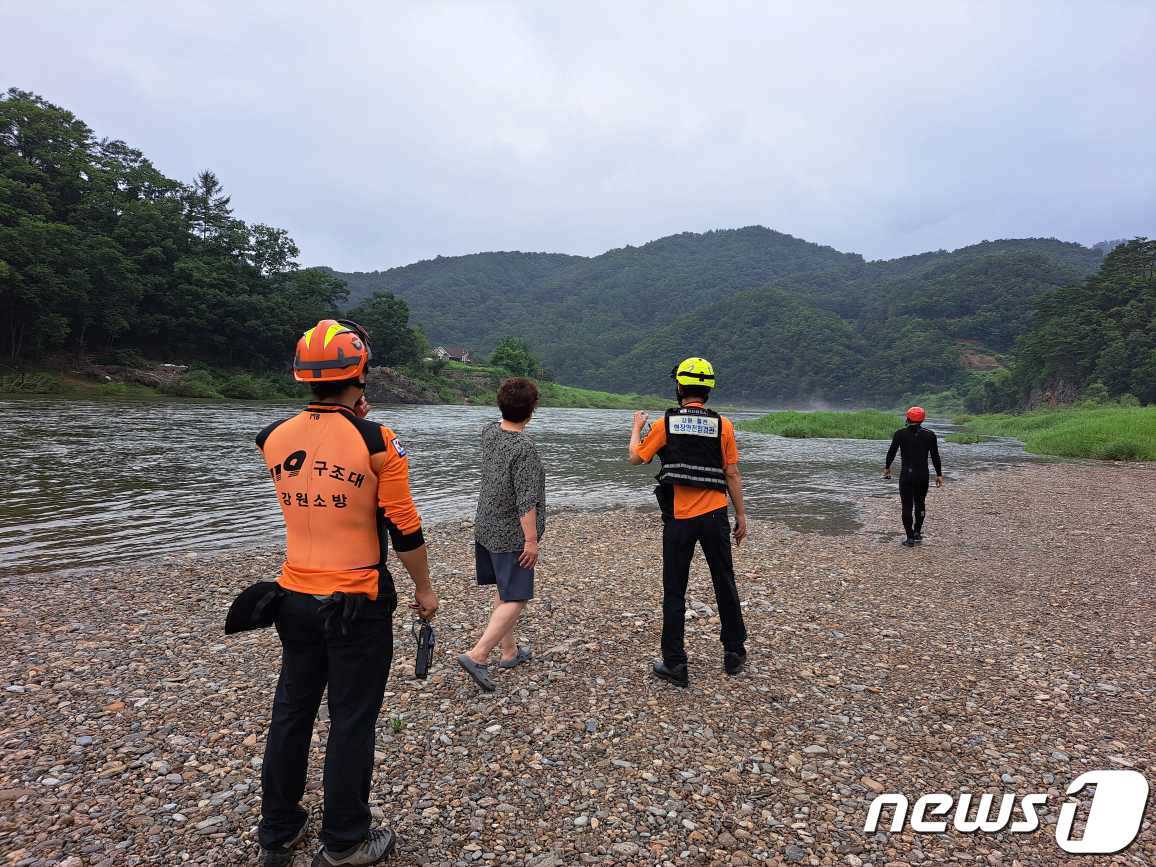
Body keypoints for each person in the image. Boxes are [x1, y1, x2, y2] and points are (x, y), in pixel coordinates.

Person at [253, 319, 439, 867]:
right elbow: (403, 525)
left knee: (292, 710)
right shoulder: (378, 439)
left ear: (301, 374)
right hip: (356, 597)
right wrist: (424, 589)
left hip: (291, 596)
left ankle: (279, 828)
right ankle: (345, 841)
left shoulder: (273, 436)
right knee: (352, 718)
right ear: (360, 372)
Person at [628, 357, 748, 688]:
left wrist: (637, 426)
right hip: (715, 517)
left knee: (675, 591)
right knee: (724, 581)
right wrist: (740, 515)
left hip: (680, 520)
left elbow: (636, 457)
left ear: (679, 387)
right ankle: (734, 653)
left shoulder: (665, 425)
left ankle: (675, 664)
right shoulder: (724, 426)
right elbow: (732, 473)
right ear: (708, 389)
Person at [458, 378, 546, 692]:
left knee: (504, 589)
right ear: (532, 410)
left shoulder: (489, 432)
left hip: (485, 525)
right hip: (510, 534)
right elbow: (526, 501)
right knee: (518, 596)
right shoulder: (525, 449)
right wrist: (531, 541)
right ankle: (478, 655)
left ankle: (509, 651)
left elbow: (499, 420)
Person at [884, 405, 944, 547]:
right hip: (922, 475)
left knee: (906, 505)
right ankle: (917, 532)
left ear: (908, 417)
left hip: (906, 475)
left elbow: (891, 452)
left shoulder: (900, 433)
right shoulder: (930, 435)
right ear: (923, 419)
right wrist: (939, 474)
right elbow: (935, 456)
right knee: (920, 503)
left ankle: (909, 538)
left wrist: (887, 468)